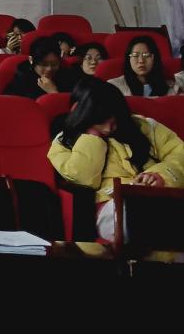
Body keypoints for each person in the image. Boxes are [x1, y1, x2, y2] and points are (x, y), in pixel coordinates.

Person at [48, 77, 184, 239]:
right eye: (101, 122)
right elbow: (84, 179)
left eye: (114, 122)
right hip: (111, 204)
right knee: (143, 218)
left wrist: (160, 176)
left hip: (160, 194)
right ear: (85, 115)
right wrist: (92, 138)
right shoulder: (64, 141)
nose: (108, 128)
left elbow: (179, 153)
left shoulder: (145, 126)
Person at [108, 37, 181, 97]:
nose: (141, 61)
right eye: (135, 55)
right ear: (129, 59)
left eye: (146, 55)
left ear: (154, 58)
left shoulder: (172, 88)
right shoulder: (114, 86)